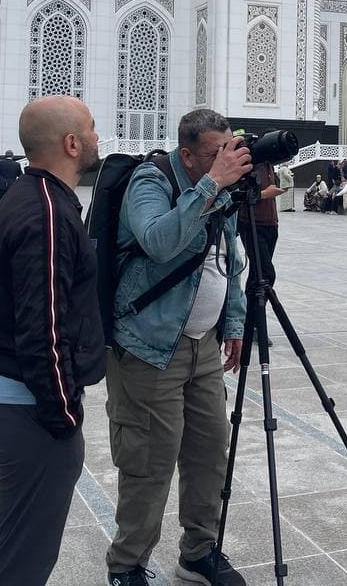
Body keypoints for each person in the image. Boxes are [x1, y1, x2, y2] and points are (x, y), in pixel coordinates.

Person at [105, 108, 250, 586]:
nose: (225, 161)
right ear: (187, 155)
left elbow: (227, 257)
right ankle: (126, 565)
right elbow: (158, 241)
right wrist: (211, 185)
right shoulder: (151, 181)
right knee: (149, 463)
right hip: (148, 348)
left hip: (202, 348)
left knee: (210, 454)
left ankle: (198, 553)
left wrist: (233, 320)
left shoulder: (219, 185)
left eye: (228, 150)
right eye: (214, 154)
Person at [0, 95, 106, 586]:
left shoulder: (34, 199)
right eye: (90, 129)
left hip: (17, 402)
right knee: (23, 563)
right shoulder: (46, 212)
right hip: (31, 410)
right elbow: (42, 328)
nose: (96, 137)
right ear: (71, 143)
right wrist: (64, 415)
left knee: (17, 549)